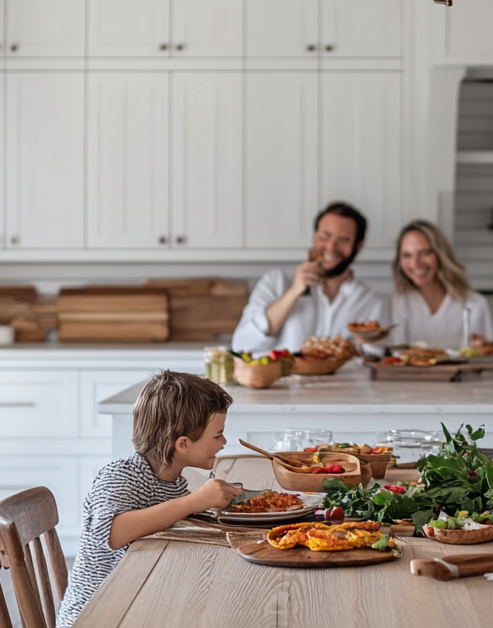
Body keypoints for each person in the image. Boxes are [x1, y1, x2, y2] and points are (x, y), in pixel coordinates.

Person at [56, 372, 243, 628]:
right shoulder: (121, 475)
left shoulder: (173, 481)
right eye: (217, 435)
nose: (223, 442)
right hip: (96, 616)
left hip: (140, 603)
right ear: (183, 444)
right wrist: (194, 503)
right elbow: (111, 532)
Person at [231, 202, 387, 353]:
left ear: (358, 247)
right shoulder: (276, 281)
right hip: (284, 379)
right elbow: (242, 344)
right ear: (314, 236)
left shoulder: (370, 302)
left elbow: (374, 358)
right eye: (324, 236)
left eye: (343, 240)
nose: (331, 247)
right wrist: (293, 292)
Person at [386, 220, 493, 348]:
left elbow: (485, 355)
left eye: (425, 253)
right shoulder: (397, 303)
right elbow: (397, 357)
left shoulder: (475, 304)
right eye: (407, 255)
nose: (415, 263)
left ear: (441, 254)